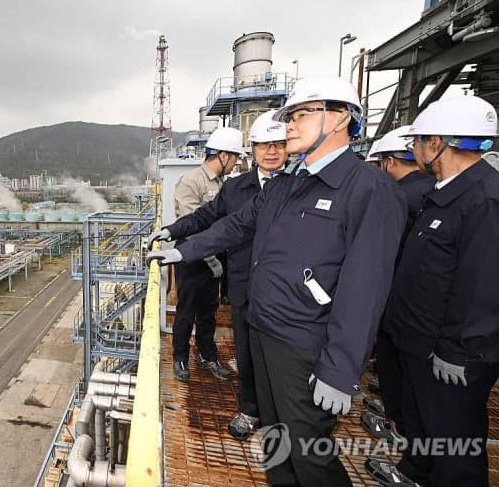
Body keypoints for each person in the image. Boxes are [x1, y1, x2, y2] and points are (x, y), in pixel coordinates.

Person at [148, 76, 406, 487]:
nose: (289, 125)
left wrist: (340, 369)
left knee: (308, 453)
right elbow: (235, 225)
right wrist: (182, 250)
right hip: (263, 331)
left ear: (339, 118)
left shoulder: (369, 190)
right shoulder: (288, 184)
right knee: (276, 440)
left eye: (301, 114)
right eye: (289, 116)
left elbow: (366, 289)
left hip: (306, 345)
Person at [366, 96, 499, 487]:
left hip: (452, 354)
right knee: (423, 426)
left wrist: (457, 350)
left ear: (438, 142)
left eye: (419, 140)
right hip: (420, 344)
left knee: (455, 445)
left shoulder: (485, 200)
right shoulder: (445, 193)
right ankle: (414, 474)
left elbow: (484, 285)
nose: (414, 149)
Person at [148, 111, 289, 440]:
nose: (271, 152)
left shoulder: (296, 187)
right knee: (244, 350)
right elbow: (206, 220)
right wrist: (171, 234)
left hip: (280, 287)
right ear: (250, 150)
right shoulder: (236, 189)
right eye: (263, 145)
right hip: (236, 278)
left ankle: (279, 415)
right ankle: (250, 407)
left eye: (278, 144)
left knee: (276, 356)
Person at [360, 127, 435, 447]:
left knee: (402, 371)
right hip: (421, 308)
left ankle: (400, 428)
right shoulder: (431, 190)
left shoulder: (399, 196)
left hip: (402, 304)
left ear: (389, 162)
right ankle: (399, 418)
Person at [165, 126, 244, 383]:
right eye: (234, 157)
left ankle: (207, 354)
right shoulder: (191, 181)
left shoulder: (224, 184)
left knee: (209, 310)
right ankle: (180, 357)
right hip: (192, 257)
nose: (236, 163)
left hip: (215, 259)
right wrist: (209, 256)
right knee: (187, 309)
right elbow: (191, 223)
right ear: (223, 155)